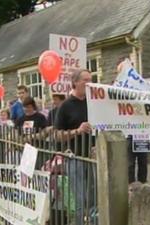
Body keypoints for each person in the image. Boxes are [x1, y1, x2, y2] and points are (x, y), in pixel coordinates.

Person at [54, 69, 94, 225]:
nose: (89, 83)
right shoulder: (65, 106)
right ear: (75, 82)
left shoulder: (93, 101)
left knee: (93, 197)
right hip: (74, 157)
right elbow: (57, 135)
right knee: (79, 199)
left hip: (92, 156)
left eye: (91, 79)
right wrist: (77, 131)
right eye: (85, 80)